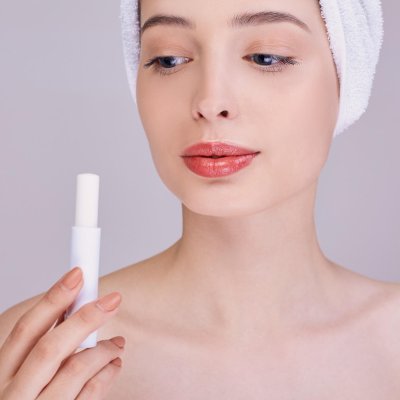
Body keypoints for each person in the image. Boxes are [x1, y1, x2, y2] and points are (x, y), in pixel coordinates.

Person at [1, 0, 398, 398]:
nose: (209, 102)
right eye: (169, 60)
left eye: (266, 57)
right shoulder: (29, 361)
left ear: (349, 74)